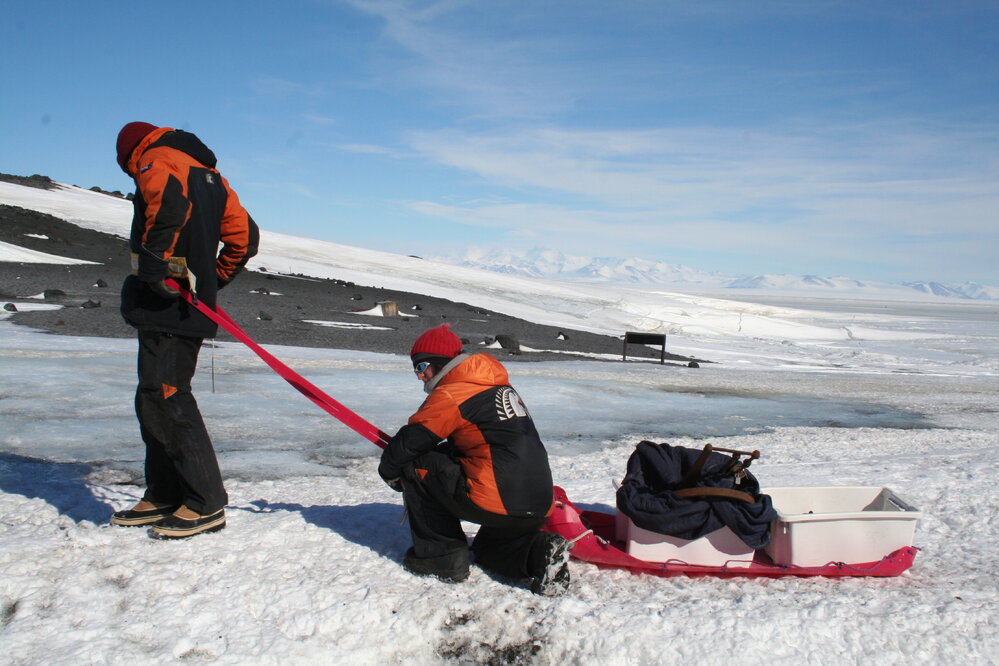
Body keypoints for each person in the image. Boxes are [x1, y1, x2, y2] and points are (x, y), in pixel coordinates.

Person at [110, 122, 259, 538]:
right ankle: (162, 493)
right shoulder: (213, 178)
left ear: (129, 153)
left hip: (169, 305)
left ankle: (204, 502)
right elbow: (245, 239)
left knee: (170, 398)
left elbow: (170, 208)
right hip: (179, 306)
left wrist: (158, 271)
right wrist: (211, 280)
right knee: (153, 397)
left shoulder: (157, 159)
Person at [378, 324, 571, 595]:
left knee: (415, 465)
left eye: (421, 367)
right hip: (538, 504)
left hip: (498, 498)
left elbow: (411, 443)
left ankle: (441, 559)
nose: (420, 376)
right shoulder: (499, 388)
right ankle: (539, 554)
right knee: (488, 552)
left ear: (439, 362)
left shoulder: (454, 391)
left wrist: (390, 472)